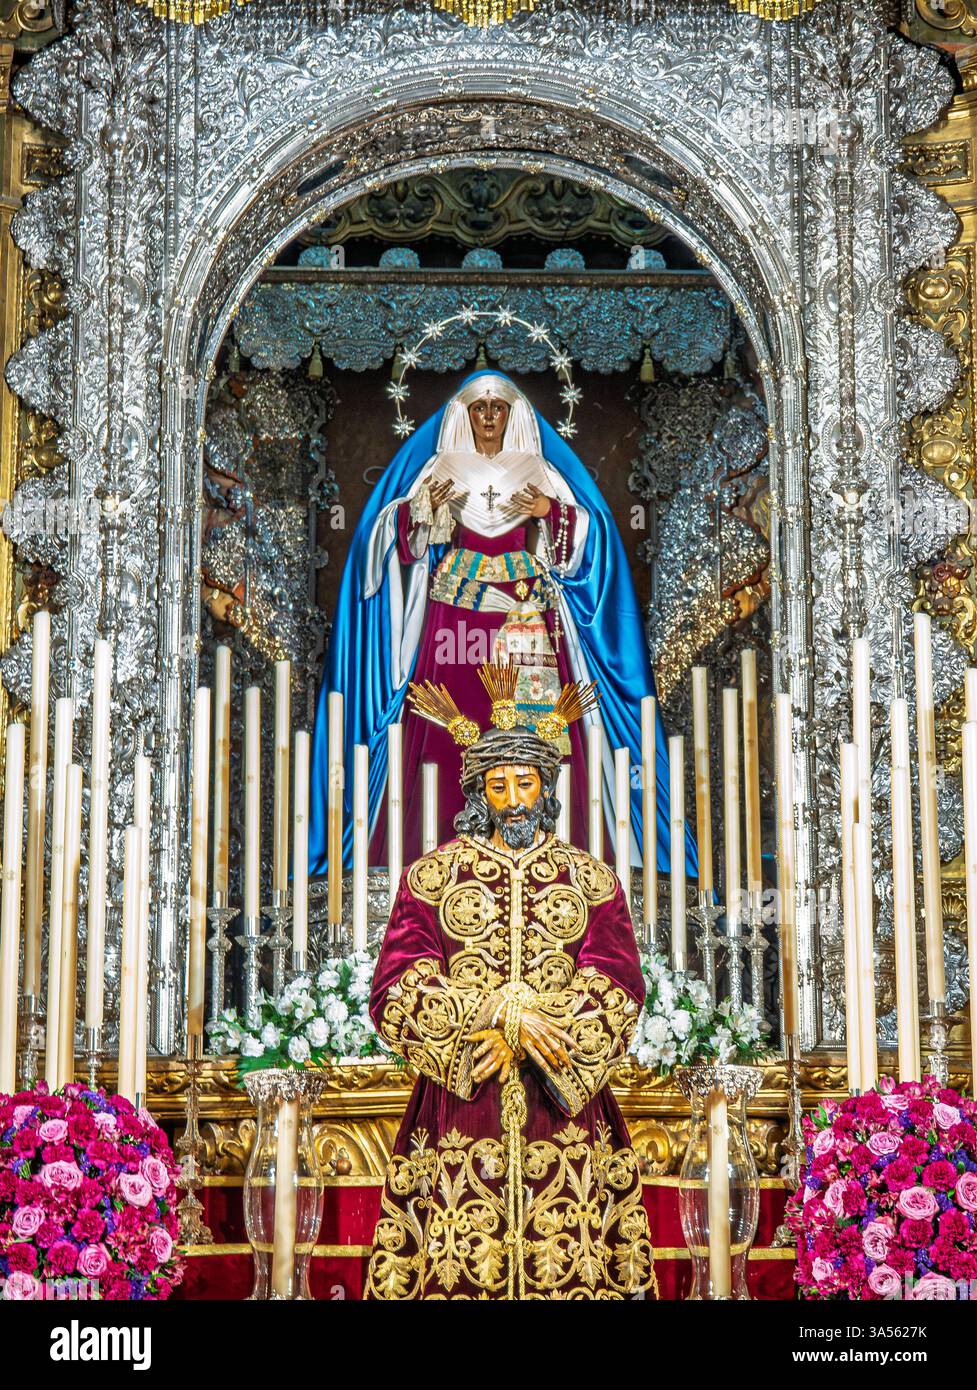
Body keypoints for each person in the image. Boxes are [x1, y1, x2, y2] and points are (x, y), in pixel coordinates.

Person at [309, 367, 696, 877]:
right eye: (479, 409)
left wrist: (549, 511)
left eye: (498, 409)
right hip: (455, 614)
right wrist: (423, 511)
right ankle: (438, 861)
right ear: (464, 416)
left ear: (512, 416)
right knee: (447, 732)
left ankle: (551, 862)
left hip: (523, 618)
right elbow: (394, 541)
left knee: (535, 734)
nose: (489, 417)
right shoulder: (441, 468)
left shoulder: (536, 469)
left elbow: (586, 537)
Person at [364, 669, 655, 1300]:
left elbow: (618, 980)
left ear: (546, 788)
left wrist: (539, 1033)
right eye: (499, 785)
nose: (515, 798)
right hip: (460, 1109)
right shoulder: (433, 877)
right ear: (479, 792)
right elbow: (394, 984)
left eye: (526, 782)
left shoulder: (589, 879)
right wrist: (490, 1016)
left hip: (564, 1107)